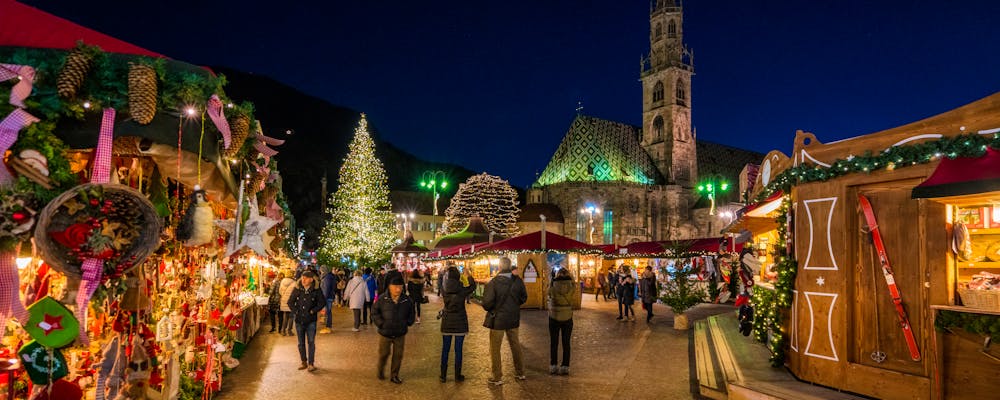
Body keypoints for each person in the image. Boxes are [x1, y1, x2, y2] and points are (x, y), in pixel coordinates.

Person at [481, 257, 528, 386]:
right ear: (510, 266)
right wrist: (513, 306)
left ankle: (497, 377)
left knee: (495, 348)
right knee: (515, 345)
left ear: (500, 267)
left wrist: (493, 308)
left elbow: (486, 303)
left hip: (498, 320)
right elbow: (524, 297)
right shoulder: (518, 281)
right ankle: (520, 372)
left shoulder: (494, 282)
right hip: (513, 318)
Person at [372, 275, 415, 384]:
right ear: (389, 287)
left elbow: (411, 313)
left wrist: (408, 322)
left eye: (400, 287)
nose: (398, 289)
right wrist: (381, 323)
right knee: (384, 354)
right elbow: (374, 312)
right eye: (395, 287)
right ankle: (380, 370)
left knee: (398, 355)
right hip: (385, 333)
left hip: (400, 333)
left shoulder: (406, 300)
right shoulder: (382, 299)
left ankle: (394, 375)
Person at [439, 264, 476, 382]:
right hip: (460, 321)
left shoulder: (443, 288)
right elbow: (473, 287)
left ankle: (443, 376)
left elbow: (442, 281)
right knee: (458, 350)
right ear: (458, 276)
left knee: (445, 349)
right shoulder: (462, 289)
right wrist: (468, 275)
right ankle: (457, 375)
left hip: (447, 321)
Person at [288, 270, 326, 371]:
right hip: (299, 320)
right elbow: (290, 302)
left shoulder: (316, 289)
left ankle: (311, 364)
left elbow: (322, 302)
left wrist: (313, 311)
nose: (303, 279)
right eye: (302, 277)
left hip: (311, 321)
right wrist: (296, 311)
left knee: (311, 342)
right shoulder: (297, 288)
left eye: (305, 278)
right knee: (301, 343)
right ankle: (303, 362)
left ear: (311, 279)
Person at [548, 267, 575, 375]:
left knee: (554, 343)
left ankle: (553, 365)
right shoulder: (572, 286)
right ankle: (565, 366)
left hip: (554, 316)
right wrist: (571, 276)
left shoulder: (553, 286)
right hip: (568, 317)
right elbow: (574, 283)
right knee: (566, 343)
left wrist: (552, 279)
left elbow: (548, 292)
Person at [320, 266, 338, 333]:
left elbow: (326, 288)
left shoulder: (327, 277)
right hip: (328, 296)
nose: (321, 272)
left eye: (321, 271)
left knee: (328, 311)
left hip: (327, 297)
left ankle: (328, 326)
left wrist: (324, 297)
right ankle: (328, 326)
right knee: (327, 311)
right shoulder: (329, 277)